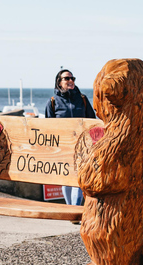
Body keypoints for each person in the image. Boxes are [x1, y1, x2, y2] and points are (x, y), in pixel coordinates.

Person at [45, 69, 95, 205]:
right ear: (59, 82)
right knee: (66, 179)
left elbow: (92, 120)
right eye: (67, 78)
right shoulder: (53, 102)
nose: (71, 81)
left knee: (78, 179)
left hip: (83, 146)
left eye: (72, 78)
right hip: (63, 147)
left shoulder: (82, 99)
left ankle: (75, 209)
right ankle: (70, 209)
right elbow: (48, 127)